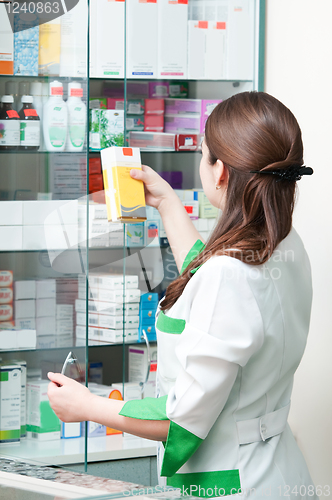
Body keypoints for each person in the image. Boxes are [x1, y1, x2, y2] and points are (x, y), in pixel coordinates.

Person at [48, 92, 317, 499]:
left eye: (203, 153)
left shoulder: (230, 274)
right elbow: (211, 276)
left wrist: (87, 407)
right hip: (279, 472)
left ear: (221, 171)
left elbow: (181, 422)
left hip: (232, 484)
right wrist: (168, 204)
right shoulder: (284, 244)